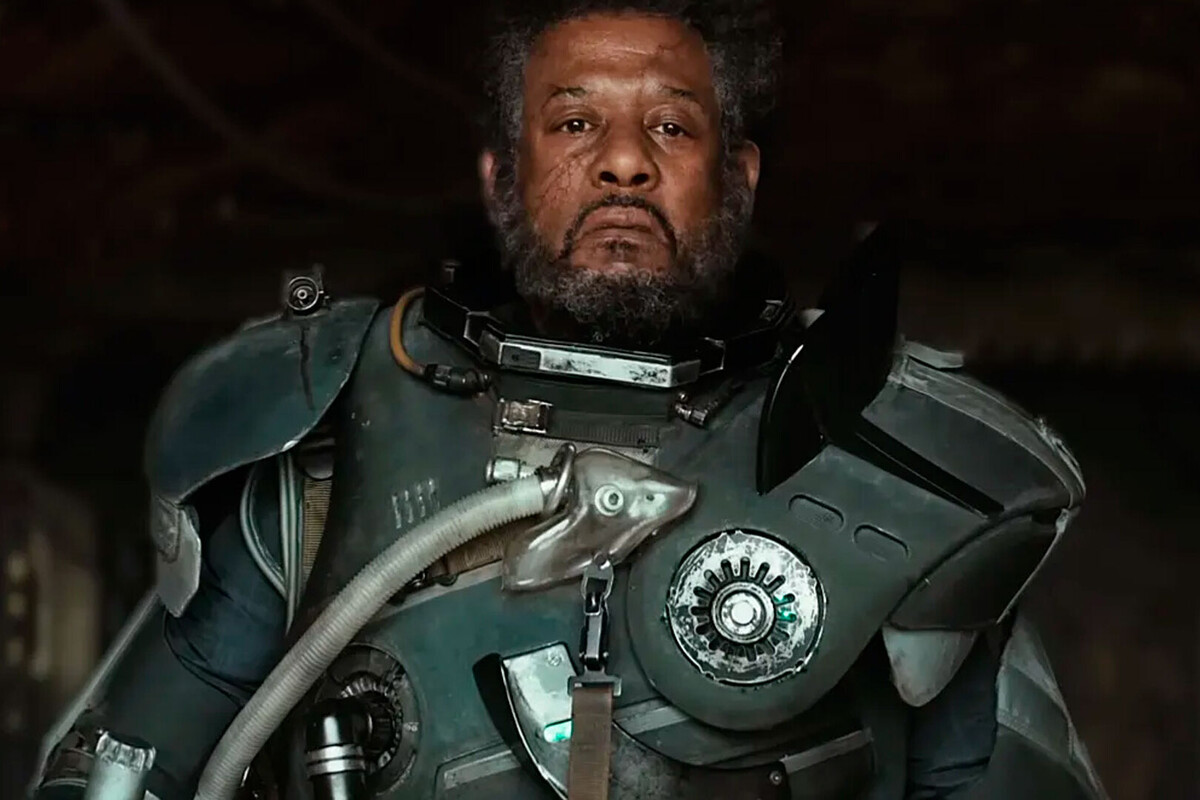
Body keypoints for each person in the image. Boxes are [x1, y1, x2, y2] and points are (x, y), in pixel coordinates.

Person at [33, 2, 1108, 799]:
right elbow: (126, 772)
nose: (624, 164)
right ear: (501, 176)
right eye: (576, 124)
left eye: (671, 128)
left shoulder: (886, 457)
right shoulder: (328, 439)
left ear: (740, 177)